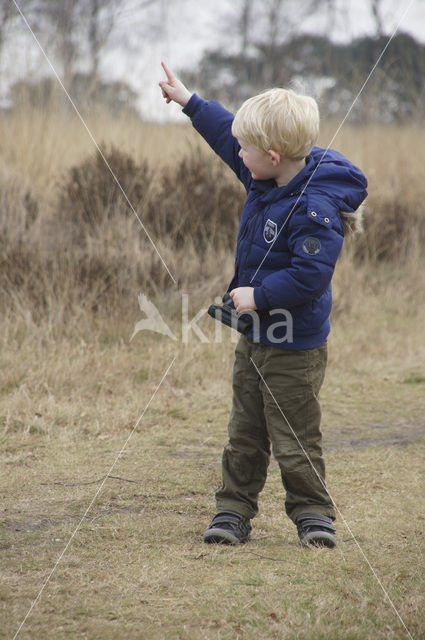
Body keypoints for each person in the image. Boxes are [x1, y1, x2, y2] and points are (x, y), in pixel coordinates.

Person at [159, 62, 367, 548]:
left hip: (295, 347)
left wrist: (259, 295)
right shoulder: (264, 176)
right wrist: (190, 101)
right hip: (255, 337)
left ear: (272, 156)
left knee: (295, 437)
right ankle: (232, 511)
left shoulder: (315, 208)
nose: (238, 154)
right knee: (245, 432)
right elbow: (225, 135)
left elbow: (312, 276)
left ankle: (314, 515)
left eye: (246, 149)